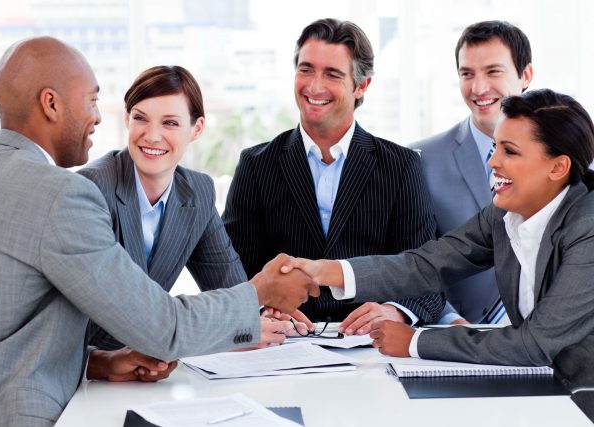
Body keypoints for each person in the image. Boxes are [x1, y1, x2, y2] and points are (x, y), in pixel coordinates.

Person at [0, 36, 318, 426]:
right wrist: (260, 290)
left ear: (196, 129)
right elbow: (161, 327)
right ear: (51, 104)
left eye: (171, 122)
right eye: (92, 100)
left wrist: (103, 363)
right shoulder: (64, 193)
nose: (97, 117)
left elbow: (7, 331)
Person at [285, 89, 594, 387]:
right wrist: (327, 271)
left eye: (509, 151)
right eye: (496, 146)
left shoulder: (588, 227)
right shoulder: (503, 215)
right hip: (547, 389)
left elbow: (534, 344)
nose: (492, 162)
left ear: (558, 167)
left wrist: (416, 341)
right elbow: (428, 264)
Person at [223, 18, 444, 335]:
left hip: (369, 344)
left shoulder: (401, 166)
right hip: (283, 343)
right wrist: (261, 312)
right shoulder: (256, 164)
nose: (314, 86)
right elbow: (232, 271)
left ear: (361, 85)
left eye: (332, 74)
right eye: (306, 69)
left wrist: (394, 312)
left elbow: (425, 274)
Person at [79, 65, 292, 353]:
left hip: (150, 367)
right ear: (127, 119)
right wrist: (236, 320)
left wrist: (263, 317)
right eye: (141, 118)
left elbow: (229, 290)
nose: (152, 136)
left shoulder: (197, 192)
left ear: (197, 129)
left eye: (170, 123)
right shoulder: (90, 189)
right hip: (89, 369)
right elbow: (118, 316)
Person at [412, 21, 533, 324]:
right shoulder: (418, 161)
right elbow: (412, 264)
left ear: (525, 75)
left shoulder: (579, 161)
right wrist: (451, 324)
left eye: (493, 72)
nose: (478, 88)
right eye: (467, 74)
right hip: (461, 344)